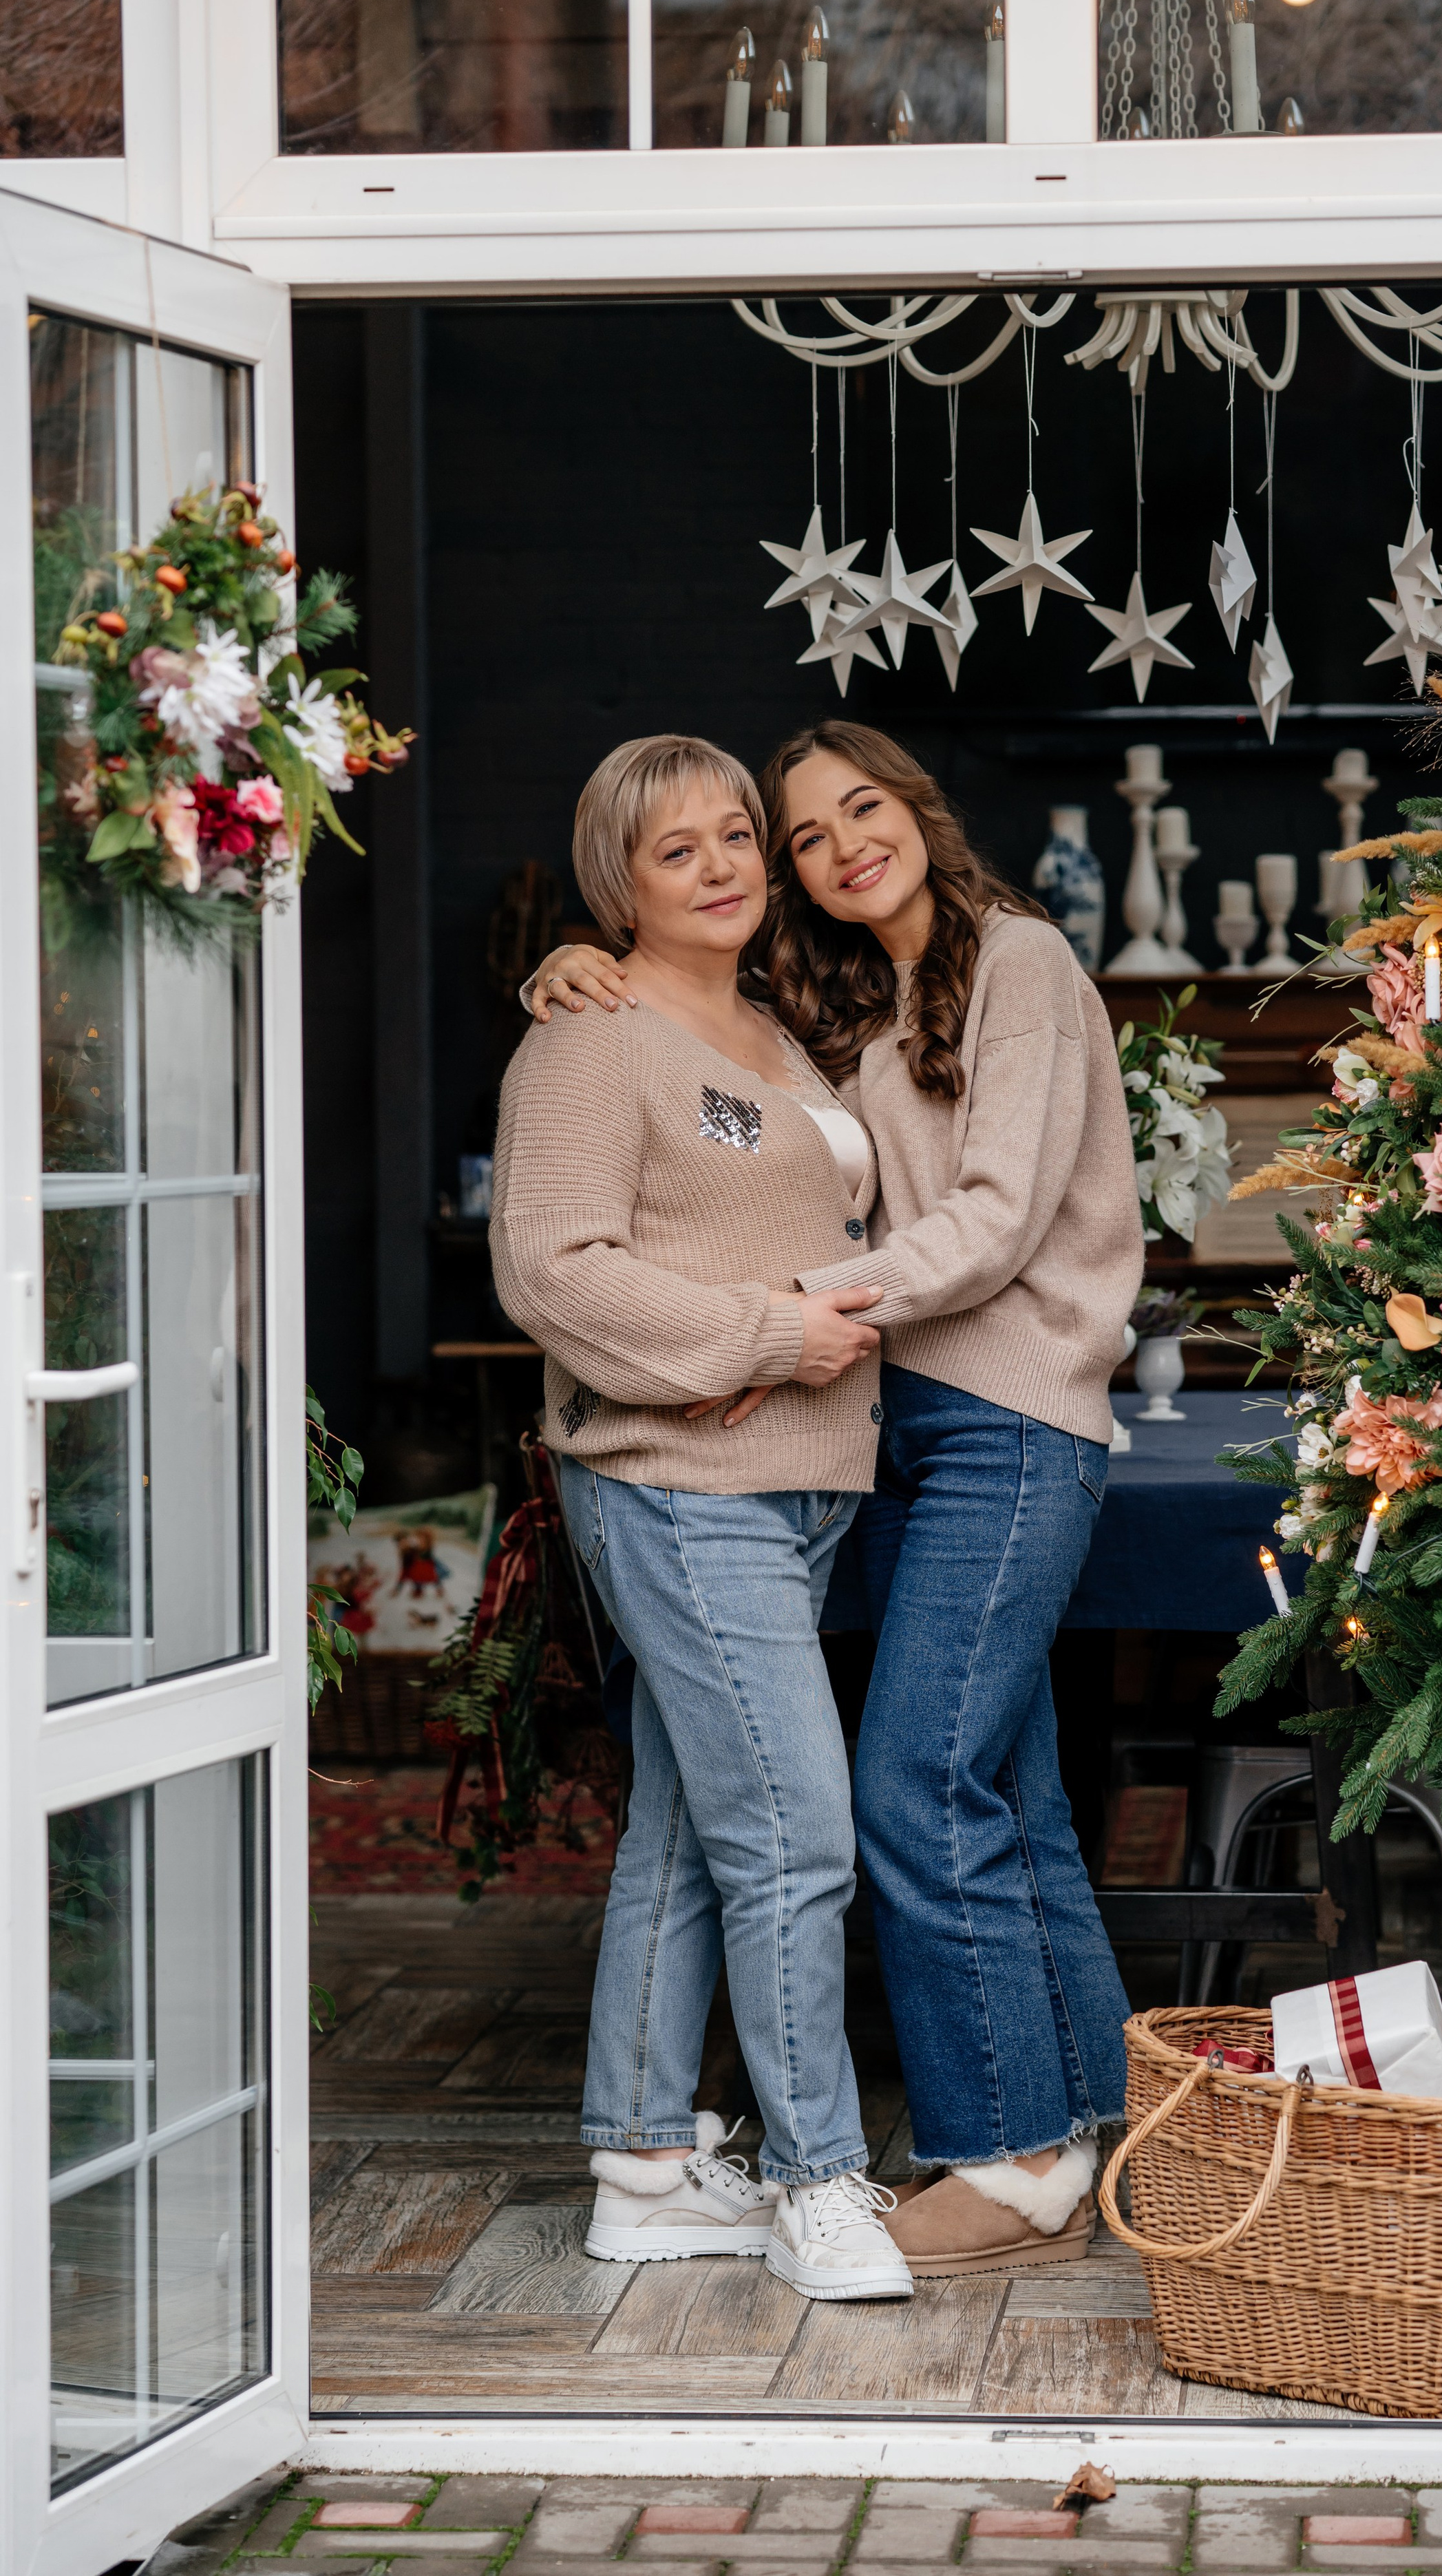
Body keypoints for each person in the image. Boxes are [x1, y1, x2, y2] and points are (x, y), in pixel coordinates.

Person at [524, 721, 1143, 2279]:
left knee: (905, 1792)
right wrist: (571, 969)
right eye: (793, 833)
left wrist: (798, 1308)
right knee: (995, 1796)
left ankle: (1004, 2155)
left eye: (844, 811)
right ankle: (1104, 2133)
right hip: (863, 1435)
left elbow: (994, 1220)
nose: (817, 848)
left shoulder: (1020, 961)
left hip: (995, 1420)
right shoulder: (834, 1020)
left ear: (919, 807)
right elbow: (595, 1206)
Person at [491, 731, 912, 2302]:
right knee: (797, 1833)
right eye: (682, 850)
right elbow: (553, 1265)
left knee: (688, 1826)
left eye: (741, 835)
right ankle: (815, 2177)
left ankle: (647, 2164)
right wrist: (763, 1338)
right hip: (679, 1490)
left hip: (791, 1490)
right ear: (620, 880)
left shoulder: (770, 1029)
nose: (728, 864)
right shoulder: (588, 1041)